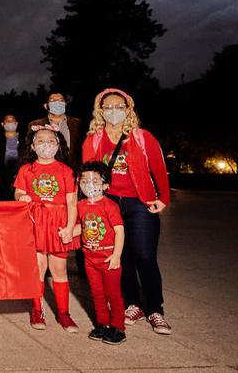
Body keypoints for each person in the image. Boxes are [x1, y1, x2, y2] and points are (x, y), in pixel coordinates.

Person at [82, 88, 171, 335]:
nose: (113, 111)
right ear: (100, 111)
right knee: (120, 257)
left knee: (144, 256)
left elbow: (159, 168)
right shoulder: (94, 140)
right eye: (108, 107)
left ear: (128, 109)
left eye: (119, 106)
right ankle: (132, 304)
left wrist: (163, 198)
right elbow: (89, 171)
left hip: (139, 203)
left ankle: (155, 309)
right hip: (108, 204)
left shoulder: (142, 137)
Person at [14, 125, 79, 333]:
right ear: (33, 146)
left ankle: (64, 313)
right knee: (39, 268)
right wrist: (21, 197)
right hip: (36, 221)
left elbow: (72, 203)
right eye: (40, 141)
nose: (45, 145)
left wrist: (70, 227)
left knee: (59, 270)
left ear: (58, 145)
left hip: (59, 223)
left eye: (50, 141)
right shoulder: (26, 169)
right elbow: (18, 193)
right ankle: (37, 310)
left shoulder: (66, 170)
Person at [76, 161, 127, 345]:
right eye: (84, 180)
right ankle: (102, 324)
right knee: (96, 293)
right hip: (90, 260)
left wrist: (116, 255)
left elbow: (120, 231)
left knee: (113, 294)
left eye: (95, 180)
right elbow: (80, 228)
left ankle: (118, 327)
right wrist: (66, 232)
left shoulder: (110, 206)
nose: (89, 184)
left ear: (106, 185)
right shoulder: (81, 205)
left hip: (108, 258)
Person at [28, 93, 83, 171]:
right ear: (46, 106)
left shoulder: (77, 123)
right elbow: (29, 149)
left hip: (73, 169)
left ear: (65, 104)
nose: (58, 103)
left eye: (61, 100)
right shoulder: (35, 124)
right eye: (53, 101)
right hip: (46, 168)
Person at [0, 114, 21, 201]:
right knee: (5, 201)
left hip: (20, 174)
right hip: (3, 176)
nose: (10, 123)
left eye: (12, 121)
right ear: (2, 124)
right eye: (8, 121)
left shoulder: (24, 138)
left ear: (16, 123)